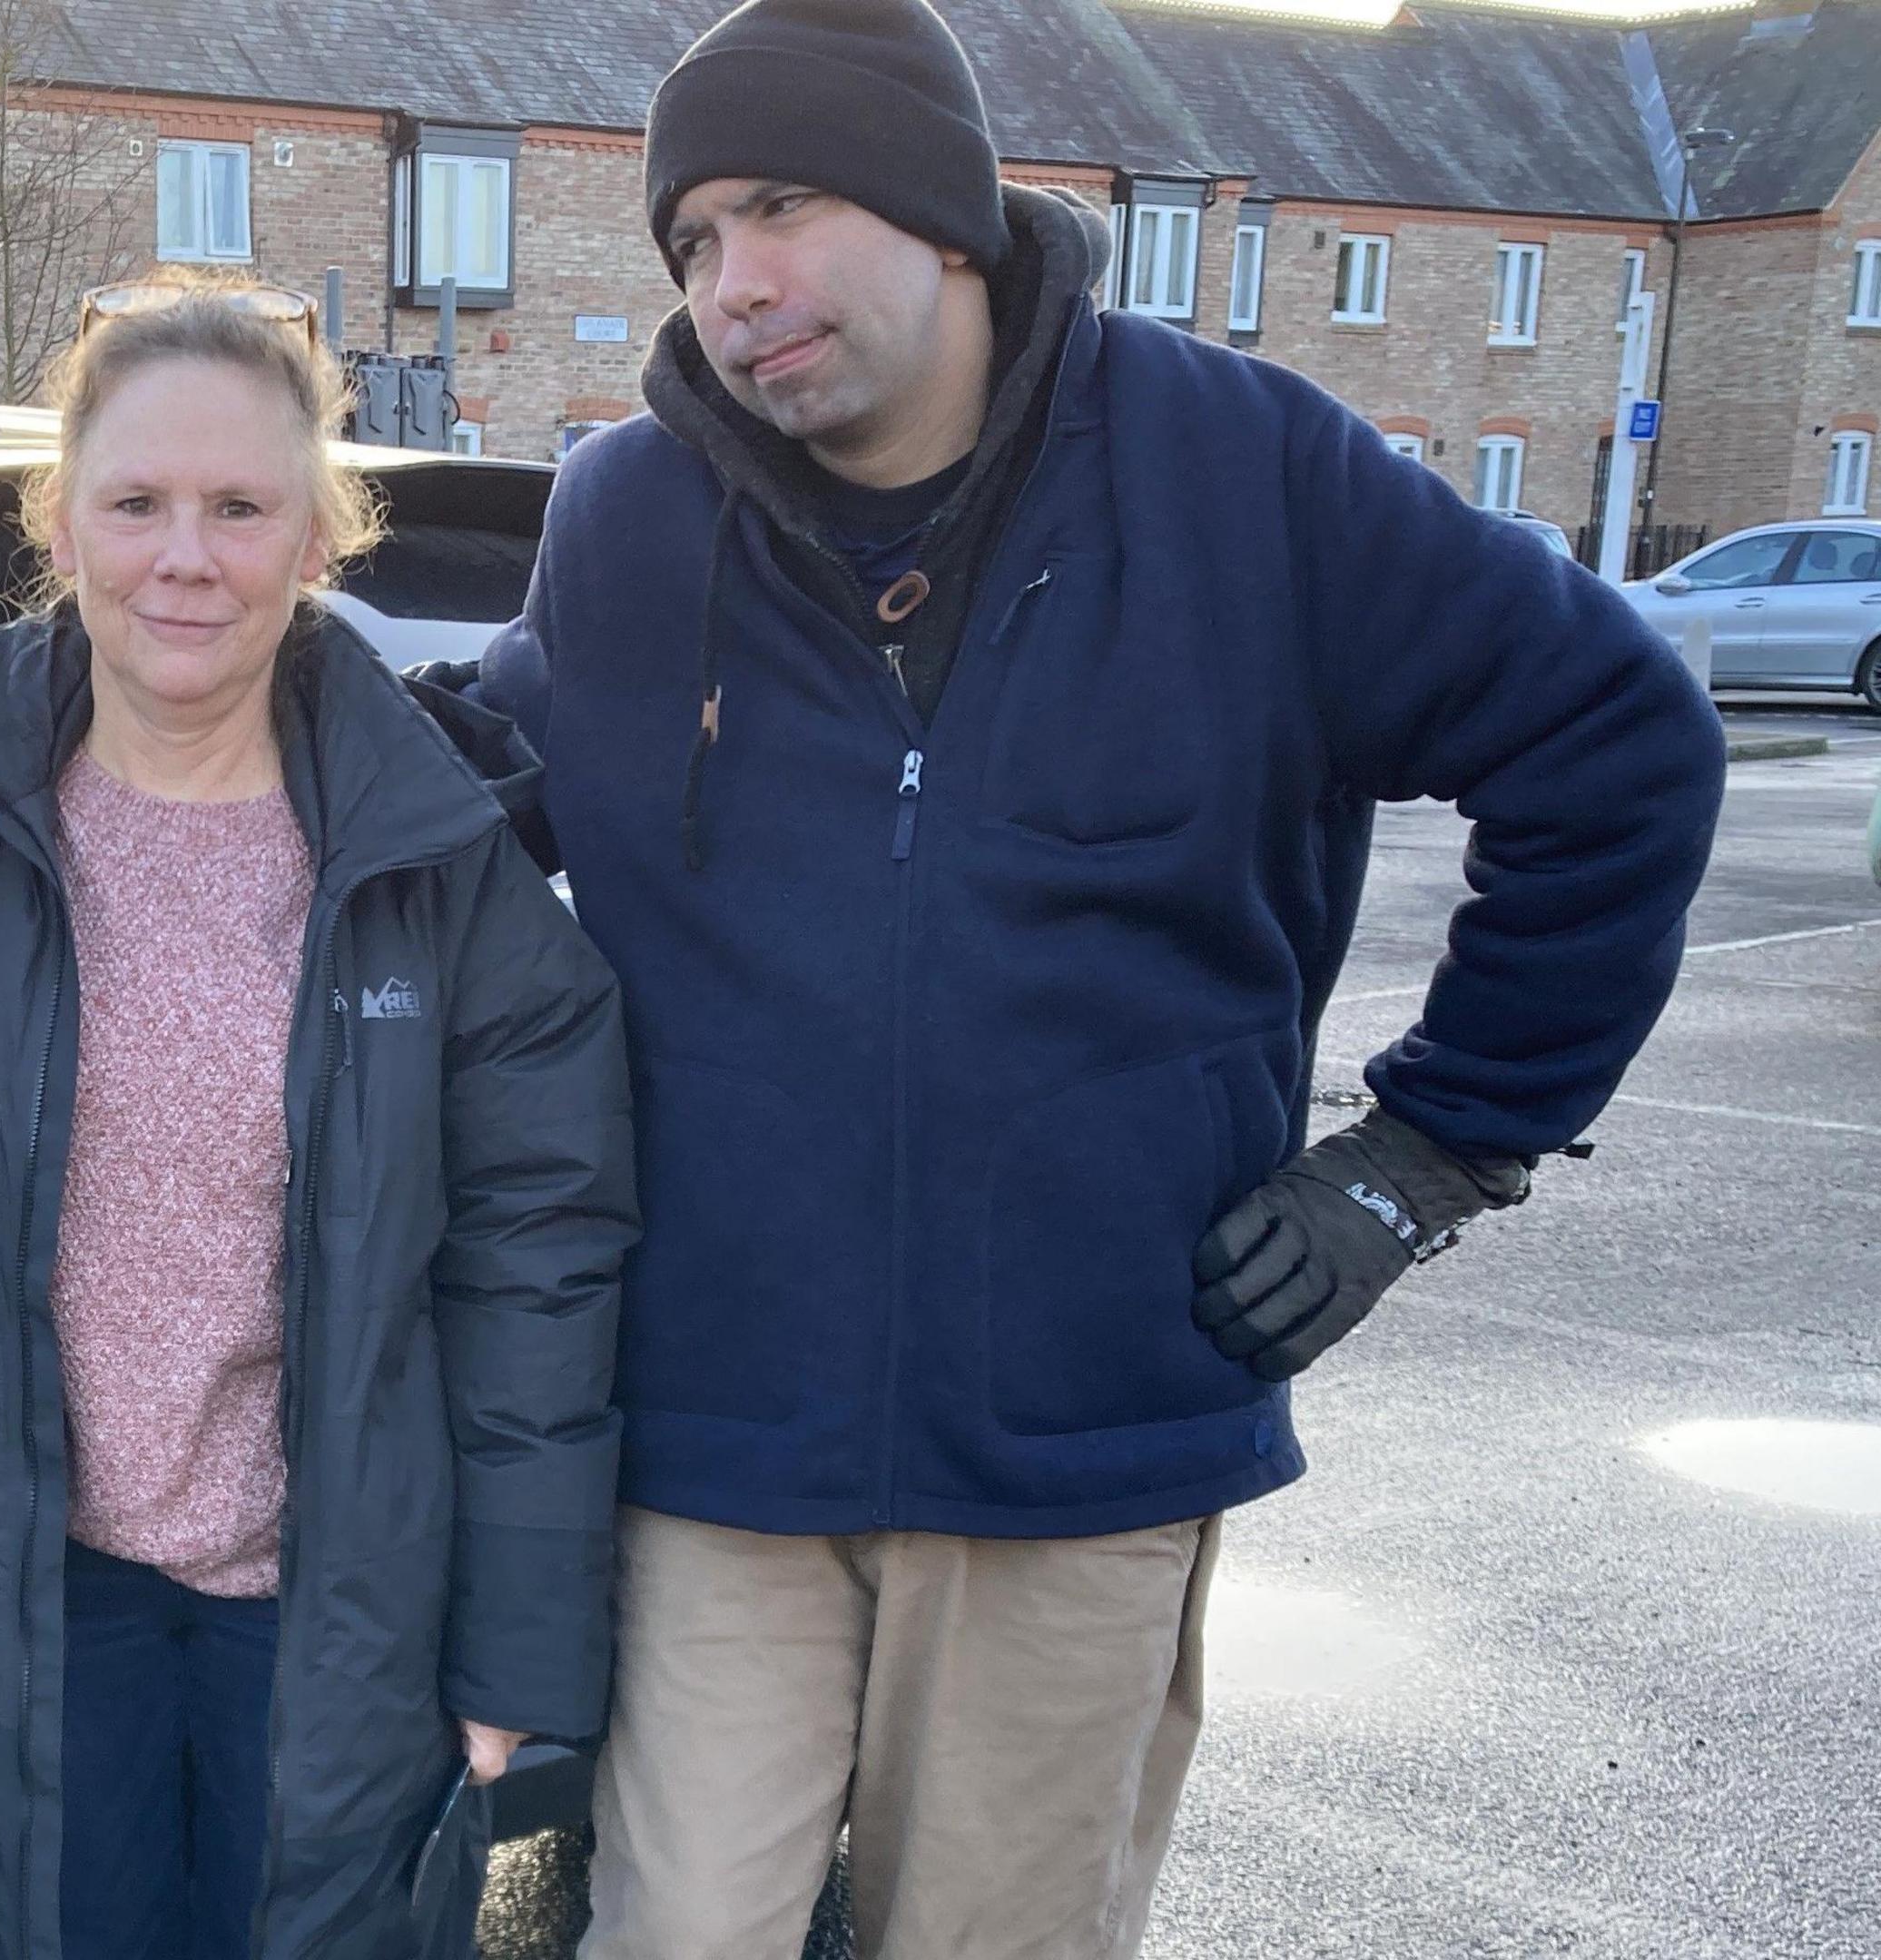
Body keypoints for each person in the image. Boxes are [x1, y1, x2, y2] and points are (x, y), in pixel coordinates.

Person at [435, 2, 1729, 1954]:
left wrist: (1431, 1153)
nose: (733, 282)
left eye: (781, 204)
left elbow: (1619, 742)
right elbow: (469, 776)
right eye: (693, 240)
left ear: (942, 213)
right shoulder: (632, 520)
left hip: (1083, 1428)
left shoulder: (1241, 474)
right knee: (670, 1933)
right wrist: (119, 722)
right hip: (718, 1430)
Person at [0, 280, 640, 1960]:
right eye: (137, 503)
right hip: (31, 1598)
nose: (186, 555)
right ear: (58, 524)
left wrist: (514, 1660)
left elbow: (539, 1266)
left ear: (320, 540)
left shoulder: (441, 862)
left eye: (242, 507)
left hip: (335, 1603)